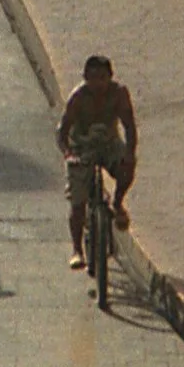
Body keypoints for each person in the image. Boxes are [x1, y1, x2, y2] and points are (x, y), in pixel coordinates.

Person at [58, 52, 137, 270]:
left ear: (110, 77)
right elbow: (62, 132)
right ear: (85, 78)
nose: (98, 84)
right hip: (81, 147)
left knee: (126, 167)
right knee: (78, 201)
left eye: (103, 78)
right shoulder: (78, 99)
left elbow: (129, 126)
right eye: (93, 78)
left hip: (108, 142)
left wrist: (130, 152)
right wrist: (68, 153)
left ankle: (117, 203)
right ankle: (77, 249)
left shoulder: (119, 94)